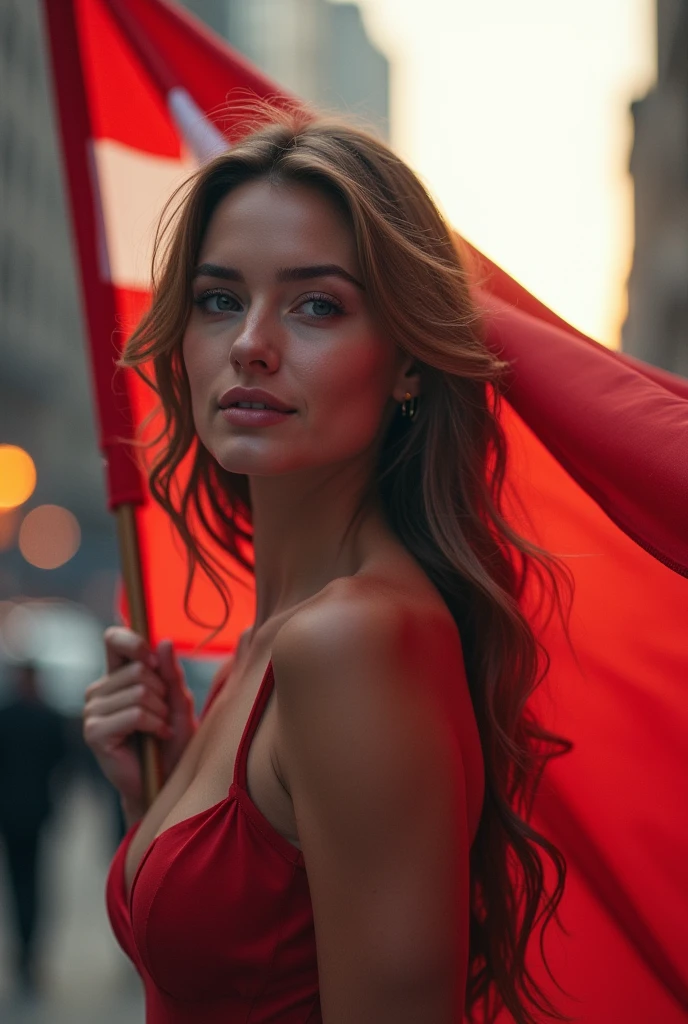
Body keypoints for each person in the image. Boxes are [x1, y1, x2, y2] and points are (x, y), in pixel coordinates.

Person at [83, 108, 572, 1024]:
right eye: (219, 298)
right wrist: (164, 786)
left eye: (317, 305)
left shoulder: (352, 642)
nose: (250, 344)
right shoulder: (273, 645)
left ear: (408, 365)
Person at [0, 661, 68, 992]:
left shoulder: (6, 716)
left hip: (11, 816)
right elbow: (63, 765)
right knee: (34, 886)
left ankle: (23, 952)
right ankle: (30, 952)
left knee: (18, 885)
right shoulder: (49, 718)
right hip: (36, 814)